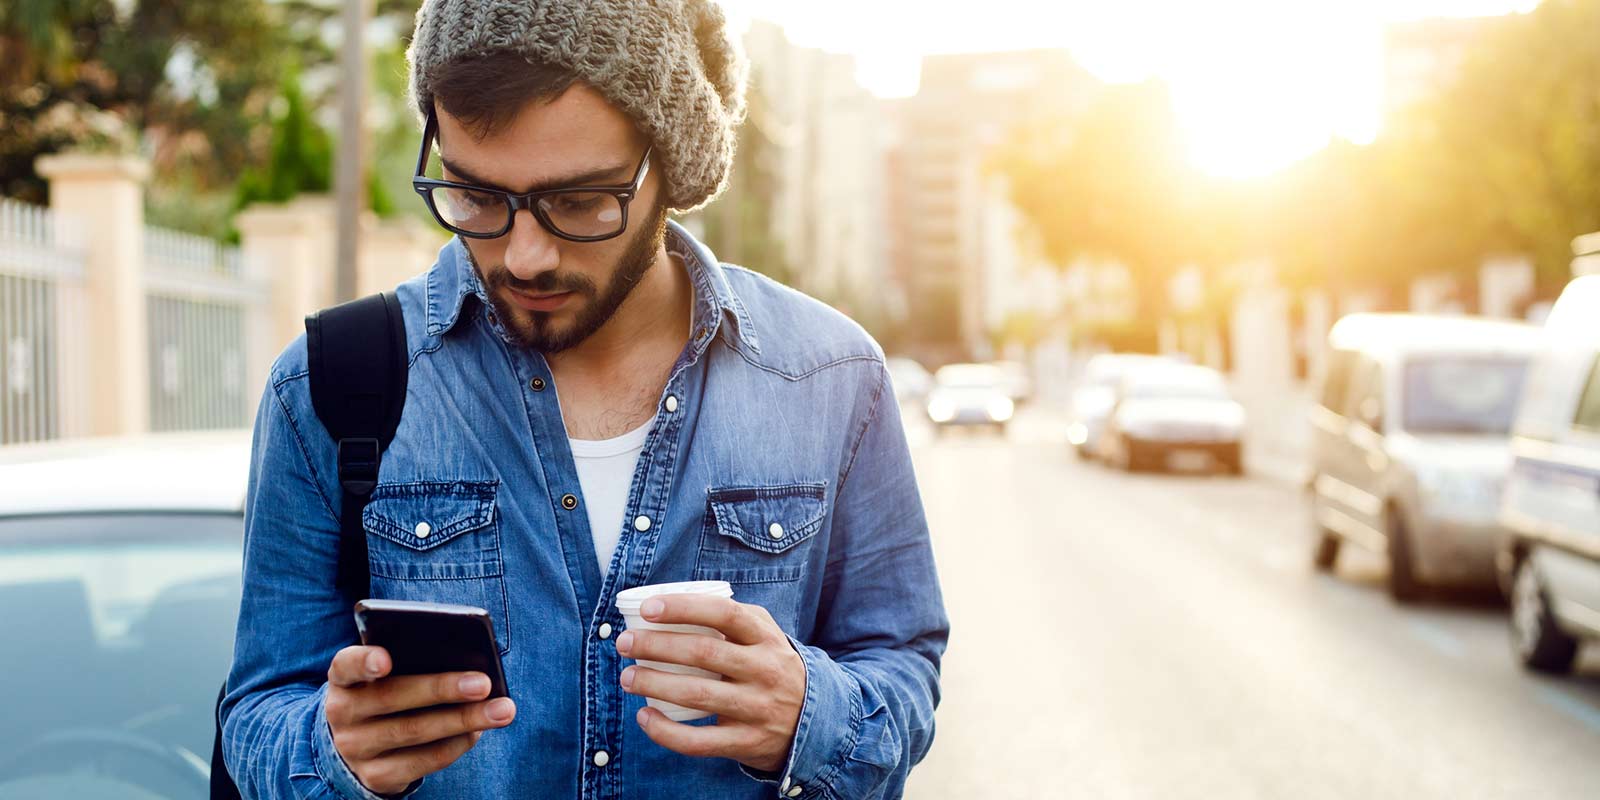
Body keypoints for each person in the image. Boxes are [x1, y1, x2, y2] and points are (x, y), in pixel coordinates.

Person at [220, 1, 948, 797]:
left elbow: (902, 666)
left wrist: (812, 715)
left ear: (670, 162)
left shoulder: (833, 380)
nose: (524, 256)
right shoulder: (325, 387)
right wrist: (331, 752)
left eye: (578, 202)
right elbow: (257, 712)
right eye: (475, 196)